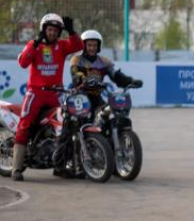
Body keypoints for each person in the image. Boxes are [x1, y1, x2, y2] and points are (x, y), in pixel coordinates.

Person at [53, 30, 143, 175]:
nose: (92, 48)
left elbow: (116, 76)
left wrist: (130, 81)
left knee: (107, 119)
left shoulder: (104, 62)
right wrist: (82, 78)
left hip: (96, 98)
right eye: (89, 45)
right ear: (84, 46)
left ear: (99, 46)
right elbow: (75, 74)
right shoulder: (76, 60)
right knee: (71, 127)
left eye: (95, 45)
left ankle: (110, 159)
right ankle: (61, 164)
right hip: (78, 97)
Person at [11, 14, 82, 181]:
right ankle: (16, 168)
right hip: (35, 93)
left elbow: (78, 46)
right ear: (44, 30)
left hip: (56, 93)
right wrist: (35, 43)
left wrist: (72, 32)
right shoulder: (33, 45)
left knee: (65, 127)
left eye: (56, 31)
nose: (52, 33)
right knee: (24, 124)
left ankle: (59, 167)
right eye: (49, 30)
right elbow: (22, 62)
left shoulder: (62, 46)